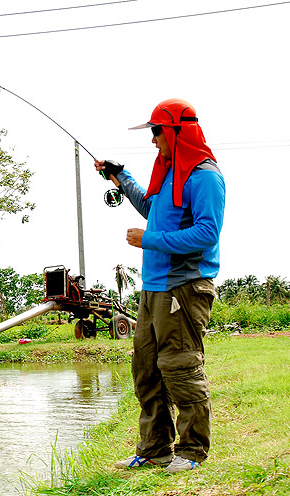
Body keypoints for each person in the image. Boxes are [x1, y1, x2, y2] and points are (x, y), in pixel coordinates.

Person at [94, 98, 226, 473]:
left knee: (180, 366)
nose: (153, 140)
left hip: (184, 287)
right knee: (147, 369)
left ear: (175, 132)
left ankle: (192, 451)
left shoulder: (205, 177)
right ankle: (155, 449)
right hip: (153, 288)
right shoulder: (169, 174)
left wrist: (149, 240)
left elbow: (206, 233)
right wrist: (121, 176)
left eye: (156, 132)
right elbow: (153, 210)